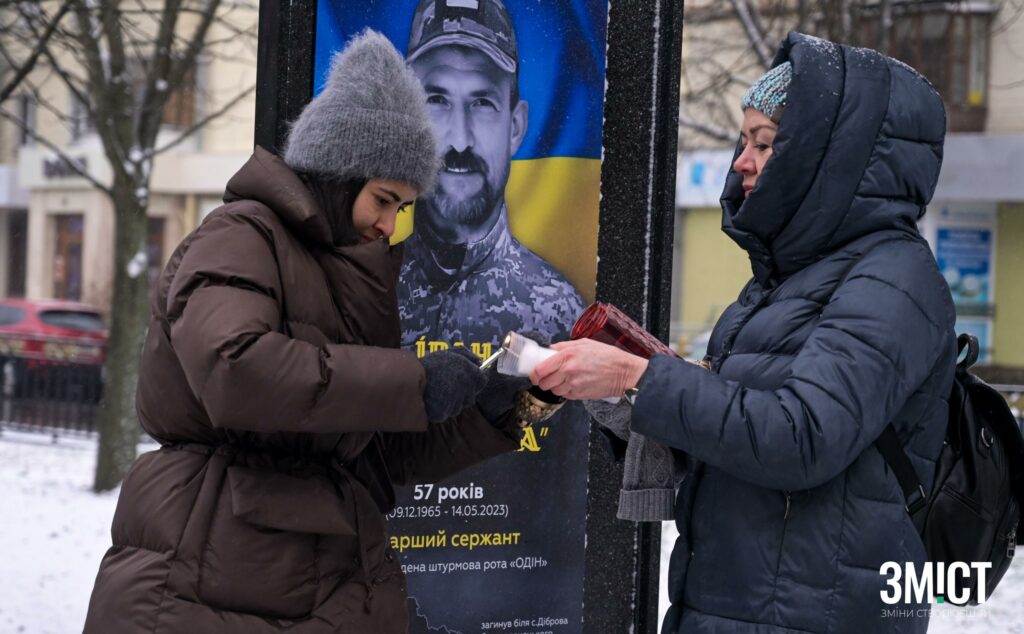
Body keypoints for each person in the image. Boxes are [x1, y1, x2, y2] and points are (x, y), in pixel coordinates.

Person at [83, 30, 530, 633]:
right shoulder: (241, 235)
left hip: (289, 572)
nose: (389, 224)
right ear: (341, 173)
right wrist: (413, 381)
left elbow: (369, 447)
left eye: (403, 209)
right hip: (208, 568)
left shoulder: (343, 271)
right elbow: (236, 370)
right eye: (383, 199)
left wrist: (492, 413)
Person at [532, 33, 957, 633]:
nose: (741, 161)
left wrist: (640, 376)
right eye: (744, 140)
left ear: (823, 153)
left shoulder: (893, 279)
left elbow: (801, 436)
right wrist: (623, 399)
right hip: (734, 604)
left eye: (764, 142)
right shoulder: (781, 282)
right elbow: (733, 436)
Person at [398, 0, 585, 349]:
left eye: (482, 103)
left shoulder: (560, 314)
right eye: (436, 100)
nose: (460, 140)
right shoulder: (364, 291)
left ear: (516, 127)